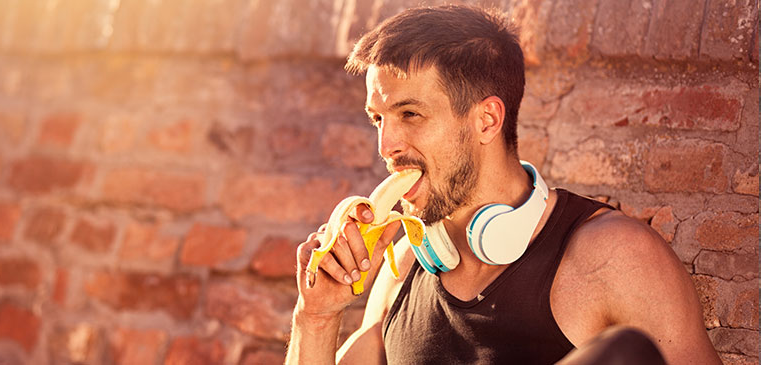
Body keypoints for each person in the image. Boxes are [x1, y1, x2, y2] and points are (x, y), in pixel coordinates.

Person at [286, 5, 721, 365]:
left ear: (487, 120)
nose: (386, 145)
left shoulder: (616, 258)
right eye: (378, 119)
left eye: (410, 115)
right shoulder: (404, 266)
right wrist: (317, 315)